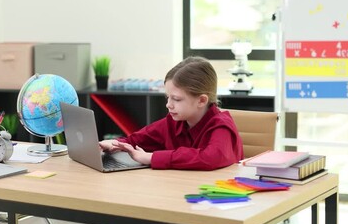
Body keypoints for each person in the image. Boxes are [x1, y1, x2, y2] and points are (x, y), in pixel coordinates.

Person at [99, 56, 244, 171]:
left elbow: (210, 157)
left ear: (201, 100)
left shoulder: (221, 126)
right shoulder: (173, 121)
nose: (168, 104)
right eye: (168, 97)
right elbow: (137, 139)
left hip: (217, 198)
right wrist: (114, 144)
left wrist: (151, 158)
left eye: (176, 99)